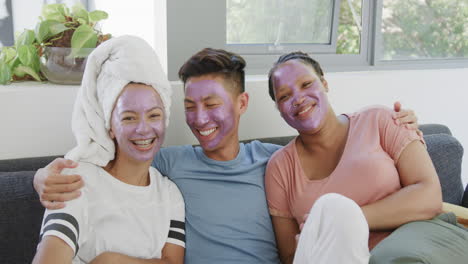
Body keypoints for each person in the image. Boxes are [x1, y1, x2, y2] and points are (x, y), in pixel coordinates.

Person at [32, 48, 419, 264]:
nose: (200, 120)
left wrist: (398, 127)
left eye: (212, 104)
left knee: (336, 212)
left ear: (242, 103)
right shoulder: (168, 165)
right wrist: (43, 175)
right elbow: (113, 162)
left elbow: (339, 167)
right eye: (190, 106)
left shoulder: (278, 161)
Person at [265, 51, 468, 264]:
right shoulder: (279, 167)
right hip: (339, 258)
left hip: (419, 238)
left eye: (306, 84)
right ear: (279, 108)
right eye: (285, 96)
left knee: (335, 212)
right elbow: (289, 257)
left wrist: (342, 221)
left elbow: (429, 196)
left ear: (324, 83)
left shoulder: (380, 119)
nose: (298, 98)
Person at [32, 36, 185, 264]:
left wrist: (110, 261)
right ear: (110, 127)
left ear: (165, 120)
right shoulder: (76, 180)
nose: (143, 129)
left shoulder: (170, 195)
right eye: (128, 117)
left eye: (154, 115)